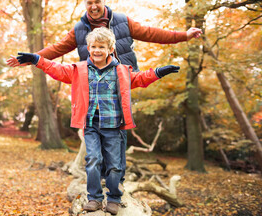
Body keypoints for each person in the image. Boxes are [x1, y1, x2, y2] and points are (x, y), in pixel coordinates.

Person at [6, 0, 202, 186]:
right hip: (93, 87)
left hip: (122, 82)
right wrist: (31, 59)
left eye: (97, 1)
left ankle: (116, 183)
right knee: (92, 132)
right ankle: (93, 179)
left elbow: (151, 33)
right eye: (89, 3)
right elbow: (57, 49)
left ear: (104, 1)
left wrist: (183, 35)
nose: (93, 6)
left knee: (117, 133)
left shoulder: (122, 21)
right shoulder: (80, 29)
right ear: (85, 3)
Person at [11, 27, 180, 215]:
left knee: (115, 165)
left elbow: (140, 78)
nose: (97, 50)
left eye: (101, 46)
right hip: (91, 124)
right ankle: (94, 198)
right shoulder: (79, 69)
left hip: (114, 125)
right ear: (88, 48)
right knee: (93, 160)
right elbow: (56, 69)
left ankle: (114, 198)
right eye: (93, 46)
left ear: (110, 49)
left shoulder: (121, 71)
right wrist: (37, 60)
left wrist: (158, 72)